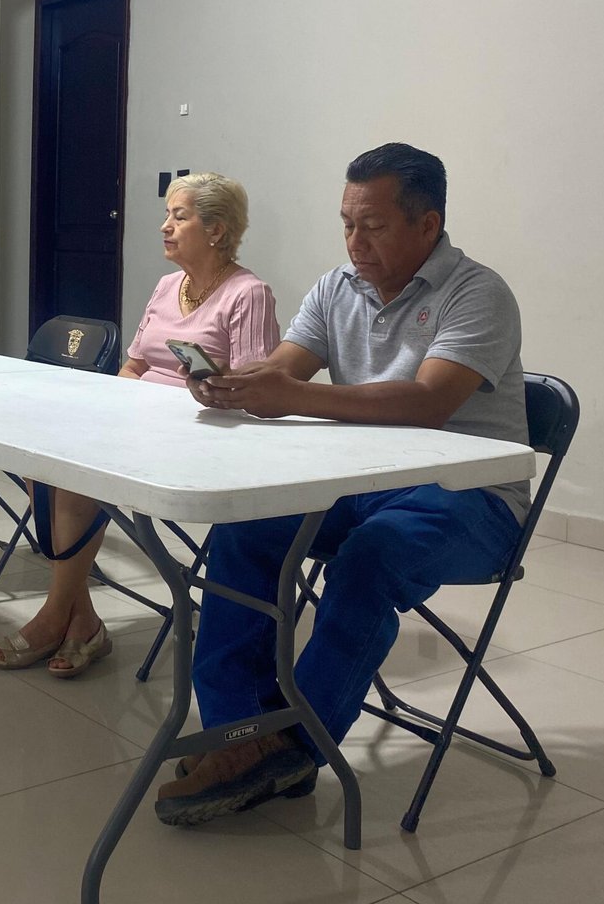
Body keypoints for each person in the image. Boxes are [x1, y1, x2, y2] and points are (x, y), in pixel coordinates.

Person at [155, 142, 529, 827]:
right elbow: (284, 367)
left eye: (373, 226)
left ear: (427, 224)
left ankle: (293, 746)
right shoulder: (338, 288)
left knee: (369, 557)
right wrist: (233, 385)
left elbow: (429, 402)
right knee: (244, 529)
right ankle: (238, 729)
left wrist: (291, 395)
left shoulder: (478, 293)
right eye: (347, 224)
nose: (355, 242)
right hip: (363, 485)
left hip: (470, 499)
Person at [0, 173, 279, 678]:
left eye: (179, 217)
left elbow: (254, 392)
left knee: (74, 478)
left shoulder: (247, 293)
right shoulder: (168, 286)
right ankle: (82, 619)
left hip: (202, 432)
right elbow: (136, 365)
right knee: (42, 460)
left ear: (216, 230)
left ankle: (56, 616)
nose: (165, 226)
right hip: (141, 422)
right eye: (167, 215)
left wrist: (208, 383)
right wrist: (114, 408)